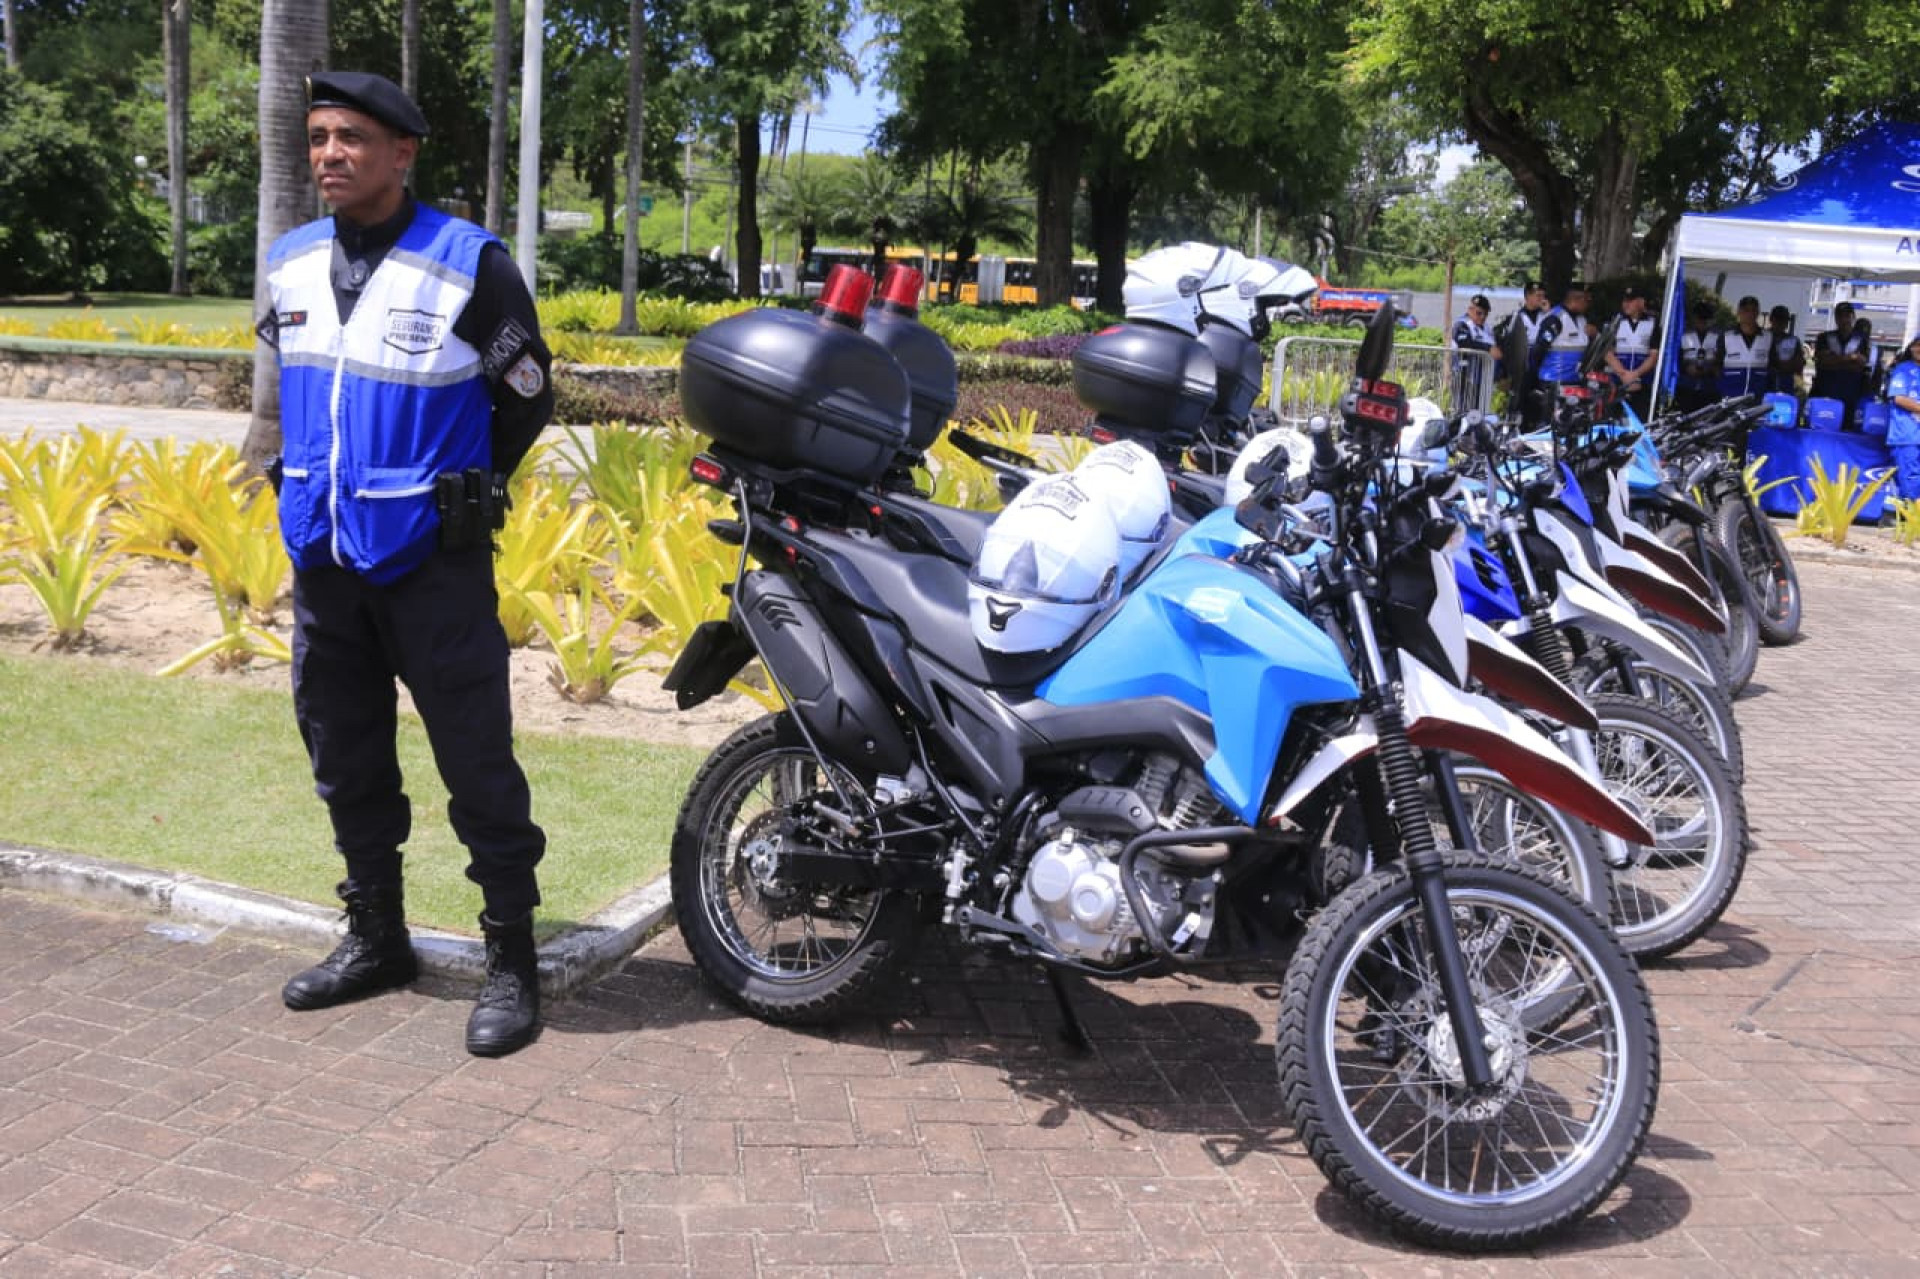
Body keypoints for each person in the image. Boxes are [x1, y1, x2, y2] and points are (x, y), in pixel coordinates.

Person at [259, 71, 554, 1057]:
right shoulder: (291, 264)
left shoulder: (470, 263)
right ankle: (376, 935)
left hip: (433, 565)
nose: (330, 155)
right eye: (319, 137)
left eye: (351, 138)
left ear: (402, 154)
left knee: (476, 761)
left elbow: (527, 395)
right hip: (326, 561)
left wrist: (468, 485)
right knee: (344, 756)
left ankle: (512, 956)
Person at [1811, 301, 1871, 426]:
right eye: (1840, 316)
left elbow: (1859, 366)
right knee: (1821, 425)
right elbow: (1822, 362)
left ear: (1853, 317)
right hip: (1825, 391)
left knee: (1847, 427)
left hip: (1850, 394)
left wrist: (1835, 360)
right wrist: (1850, 358)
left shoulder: (1861, 339)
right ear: (1835, 318)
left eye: (1847, 316)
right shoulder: (1824, 337)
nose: (1844, 319)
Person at [1606, 286, 1659, 418]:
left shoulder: (1653, 323)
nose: (1626, 304)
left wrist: (1635, 374)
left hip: (1643, 382)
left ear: (1641, 302)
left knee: (1641, 420)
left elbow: (1654, 355)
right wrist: (1624, 375)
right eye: (1624, 301)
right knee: (1614, 420)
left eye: (1631, 301)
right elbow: (1607, 353)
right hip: (1618, 382)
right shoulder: (1615, 322)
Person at [1531, 281, 1591, 392]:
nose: (1589, 304)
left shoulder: (1582, 320)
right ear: (1576, 299)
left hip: (1574, 382)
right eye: (1587, 300)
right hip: (1553, 381)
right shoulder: (1556, 319)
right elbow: (1538, 350)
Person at [1716, 296, 1771, 401]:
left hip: (1757, 398)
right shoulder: (1726, 336)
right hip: (1729, 397)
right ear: (1739, 312)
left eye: (1753, 310)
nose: (1750, 314)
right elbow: (1716, 365)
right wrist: (1722, 387)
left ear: (1758, 313)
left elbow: (1772, 365)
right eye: (1746, 310)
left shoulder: (1768, 337)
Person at [1886, 334, 1920, 502]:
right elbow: (1899, 398)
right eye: (1918, 345)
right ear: (1912, 348)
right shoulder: (1903, 370)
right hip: (1907, 434)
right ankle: (1912, 516)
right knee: (1910, 477)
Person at [1449, 293, 1495, 411]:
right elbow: (1465, 342)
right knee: (1462, 410)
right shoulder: (1462, 324)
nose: (1482, 317)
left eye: (1485, 314)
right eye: (1479, 313)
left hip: (1481, 377)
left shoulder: (1487, 328)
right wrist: (1488, 348)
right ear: (1470, 310)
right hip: (1463, 375)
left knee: (1478, 411)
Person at [1674, 301, 1722, 414]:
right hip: (1686, 386)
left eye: (1705, 318)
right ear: (1694, 318)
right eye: (1699, 318)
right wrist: (1686, 368)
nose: (1702, 321)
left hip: (1709, 386)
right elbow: (1675, 359)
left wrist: (1710, 368)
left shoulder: (1719, 336)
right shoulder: (1683, 334)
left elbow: (1721, 360)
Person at [1766, 305, 1805, 397]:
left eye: (1784, 320)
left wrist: (1778, 364)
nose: (1781, 323)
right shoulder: (1762, 337)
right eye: (1778, 319)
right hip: (1764, 384)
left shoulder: (1794, 340)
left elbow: (1799, 365)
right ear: (1771, 319)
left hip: (1786, 385)